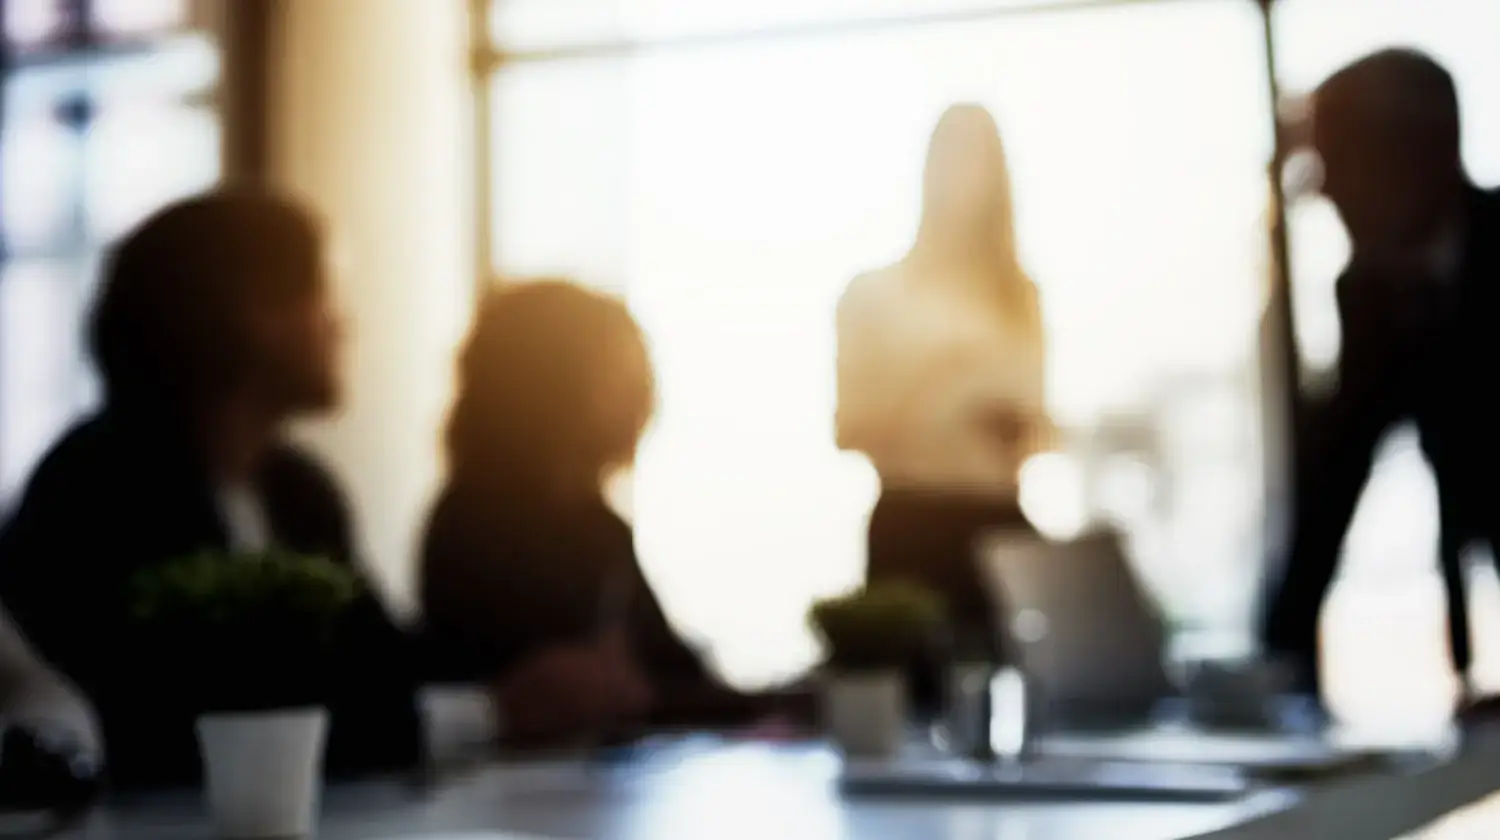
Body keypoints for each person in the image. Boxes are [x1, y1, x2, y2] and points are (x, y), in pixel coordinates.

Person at [0, 191, 636, 785]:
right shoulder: (94, 492)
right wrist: (492, 711)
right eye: (322, 293)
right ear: (256, 313)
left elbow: (381, 669)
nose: (342, 323)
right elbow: (172, 725)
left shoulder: (299, 490)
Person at [421, 281, 780, 744]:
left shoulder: (598, 528)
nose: (643, 397)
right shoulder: (472, 528)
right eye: (620, 374)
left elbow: (669, 674)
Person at [1261, 50, 1500, 701]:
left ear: (1415, 156)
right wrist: (1271, 671)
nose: (1326, 190)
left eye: (1339, 161)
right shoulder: (1368, 293)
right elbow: (1333, 482)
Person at [835, 104, 1049, 686]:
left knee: (1017, 694)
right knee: (914, 693)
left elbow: (1038, 436)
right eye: (955, 158)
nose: (966, 178)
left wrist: (1017, 424)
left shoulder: (1020, 295)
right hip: (912, 525)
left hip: (1000, 526)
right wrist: (937, 378)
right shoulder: (875, 295)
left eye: (979, 161)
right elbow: (847, 430)